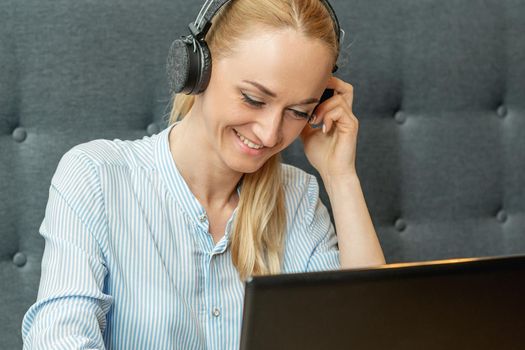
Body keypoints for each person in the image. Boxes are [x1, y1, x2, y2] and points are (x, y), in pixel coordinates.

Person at [21, 0, 385, 348]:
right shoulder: (96, 177)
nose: (270, 133)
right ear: (197, 71)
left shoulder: (299, 197)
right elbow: (58, 339)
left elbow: (373, 335)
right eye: (254, 99)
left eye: (298, 111)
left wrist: (340, 177)